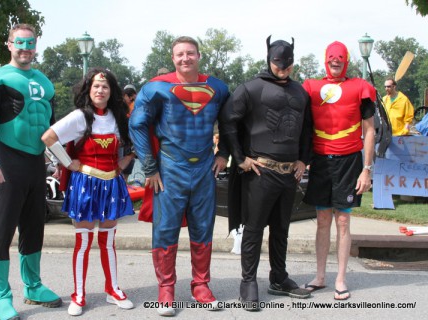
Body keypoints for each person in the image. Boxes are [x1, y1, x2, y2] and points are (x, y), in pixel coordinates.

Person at [129, 36, 230, 316]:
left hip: (205, 167)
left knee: (203, 227)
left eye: (190, 53)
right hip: (171, 168)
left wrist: (225, 153)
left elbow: (231, 122)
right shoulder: (157, 87)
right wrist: (150, 167)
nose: (185, 58)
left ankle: (201, 285)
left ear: (198, 55)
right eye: (179, 55)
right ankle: (166, 289)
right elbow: (137, 124)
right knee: (165, 229)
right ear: (173, 58)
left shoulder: (218, 87)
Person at [0, 23, 61, 320]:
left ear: (36, 46)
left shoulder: (45, 82)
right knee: (2, 230)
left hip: (37, 163)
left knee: (34, 226)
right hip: (7, 162)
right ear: (9, 44)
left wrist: (59, 159)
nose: (25, 48)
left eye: (30, 43)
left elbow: (50, 129)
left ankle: (33, 286)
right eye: (19, 43)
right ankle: (0, 296)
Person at [220, 36, 313, 310]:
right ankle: (248, 282)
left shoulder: (300, 92)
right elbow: (228, 121)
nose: (282, 67)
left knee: (282, 228)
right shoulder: (250, 88)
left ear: (293, 62)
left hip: (288, 173)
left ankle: (279, 277)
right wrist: (239, 159)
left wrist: (303, 160)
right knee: (254, 229)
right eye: (277, 62)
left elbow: (307, 128)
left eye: (287, 63)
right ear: (269, 59)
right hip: (260, 172)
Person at [42, 68, 136, 316]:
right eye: (95, 86)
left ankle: (113, 289)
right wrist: (67, 163)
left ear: (111, 91)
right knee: (83, 242)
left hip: (112, 185)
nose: (100, 90)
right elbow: (49, 137)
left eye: (104, 87)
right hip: (84, 185)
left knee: (108, 241)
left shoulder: (119, 118)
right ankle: (79, 295)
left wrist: (123, 165)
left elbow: (132, 147)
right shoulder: (78, 117)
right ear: (88, 89)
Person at [302, 41, 376, 301]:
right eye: (331, 57)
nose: (335, 61)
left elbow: (369, 130)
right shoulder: (310, 87)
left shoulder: (360, 88)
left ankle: (341, 279)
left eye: (340, 57)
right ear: (326, 59)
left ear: (346, 60)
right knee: (322, 220)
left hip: (348, 162)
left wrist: (366, 170)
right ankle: (320, 276)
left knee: (343, 221)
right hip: (321, 161)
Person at [122, 84, 137, 181]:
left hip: (129, 142)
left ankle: (124, 184)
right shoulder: (121, 107)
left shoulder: (135, 107)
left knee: (127, 165)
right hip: (123, 141)